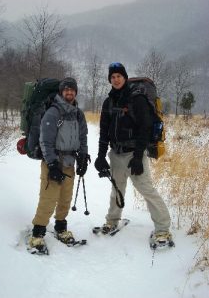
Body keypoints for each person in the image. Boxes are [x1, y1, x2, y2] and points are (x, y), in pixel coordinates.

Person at [94, 62, 172, 245]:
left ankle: (162, 229)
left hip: (133, 155)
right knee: (116, 190)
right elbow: (104, 131)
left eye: (119, 76)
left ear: (125, 77)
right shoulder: (108, 102)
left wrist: (138, 157)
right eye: (112, 77)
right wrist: (100, 156)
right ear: (109, 80)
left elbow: (145, 128)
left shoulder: (136, 99)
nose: (116, 79)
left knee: (147, 190)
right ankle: (112, 221)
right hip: (115, 155)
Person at [29, 77, 89, 251]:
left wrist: (83, 158)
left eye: (72, 89)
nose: (69, 92)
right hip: (53, 162)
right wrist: (52, 164)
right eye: (66, 90)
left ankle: (61, 228)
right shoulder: (53, 112)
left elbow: (83, 138)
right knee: (48, 198)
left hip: (70, 162)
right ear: (61, 92)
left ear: (75, 92)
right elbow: (45, 141)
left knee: (65, 199)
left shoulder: (78, 113)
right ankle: (37, 233)